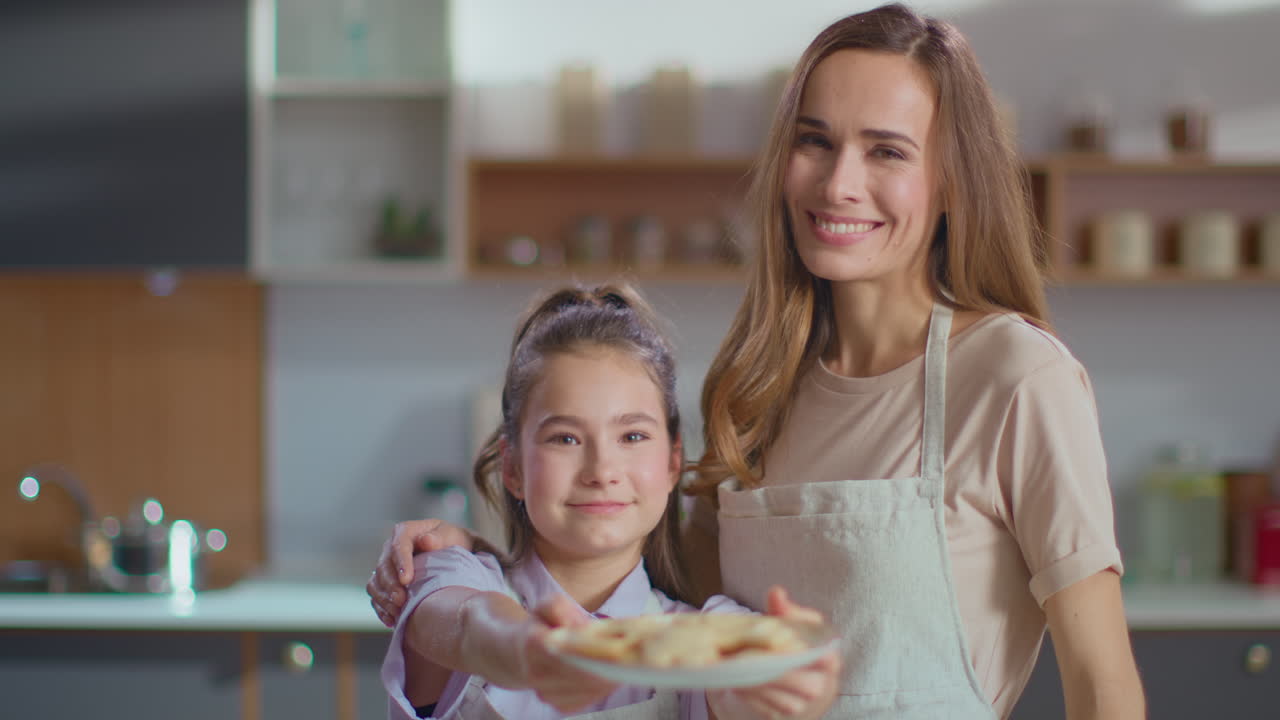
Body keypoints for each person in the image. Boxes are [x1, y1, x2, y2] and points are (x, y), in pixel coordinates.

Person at [369, 4, 1145, 718]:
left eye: (887, 151)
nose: (840, 184)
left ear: (950, 182)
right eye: (815, 141)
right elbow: (666, 614)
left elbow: (1103, 687)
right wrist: (481, 561)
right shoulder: (756, 391)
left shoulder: (1015, 377)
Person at [380, 284, 841, 720]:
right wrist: (522, 646)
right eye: (565, 438)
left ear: (672, 463)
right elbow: (464, 625)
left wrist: (786, 684)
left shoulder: (702, 637)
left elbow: (741, 694)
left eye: (632, 436)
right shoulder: (457, 575)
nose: (601, 470)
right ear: (513, 468)